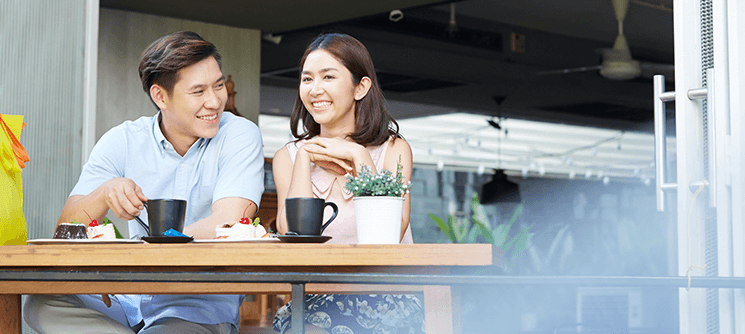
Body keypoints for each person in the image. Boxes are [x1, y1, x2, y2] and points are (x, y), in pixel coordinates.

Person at [23, 31, 265, 334]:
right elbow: (66, 230)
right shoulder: (122, 139)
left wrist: (136, 257)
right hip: (126, 298)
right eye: (198, 91)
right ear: (160, 96)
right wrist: (104, 193)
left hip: (196, 305)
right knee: (41, 304)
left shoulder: (240, 135)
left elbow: (227, 224)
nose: (215, 101)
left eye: (218, 86)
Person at [271, 33, 424, 334]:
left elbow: (388, 235)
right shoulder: (287, 157)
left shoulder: (393, 150)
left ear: (360, 87)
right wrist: (304, 158)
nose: (316, 90)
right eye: (307, 79)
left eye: (328, 77)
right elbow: (293, 235)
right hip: (314, 297)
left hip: (387, 295)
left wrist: (358, 155)